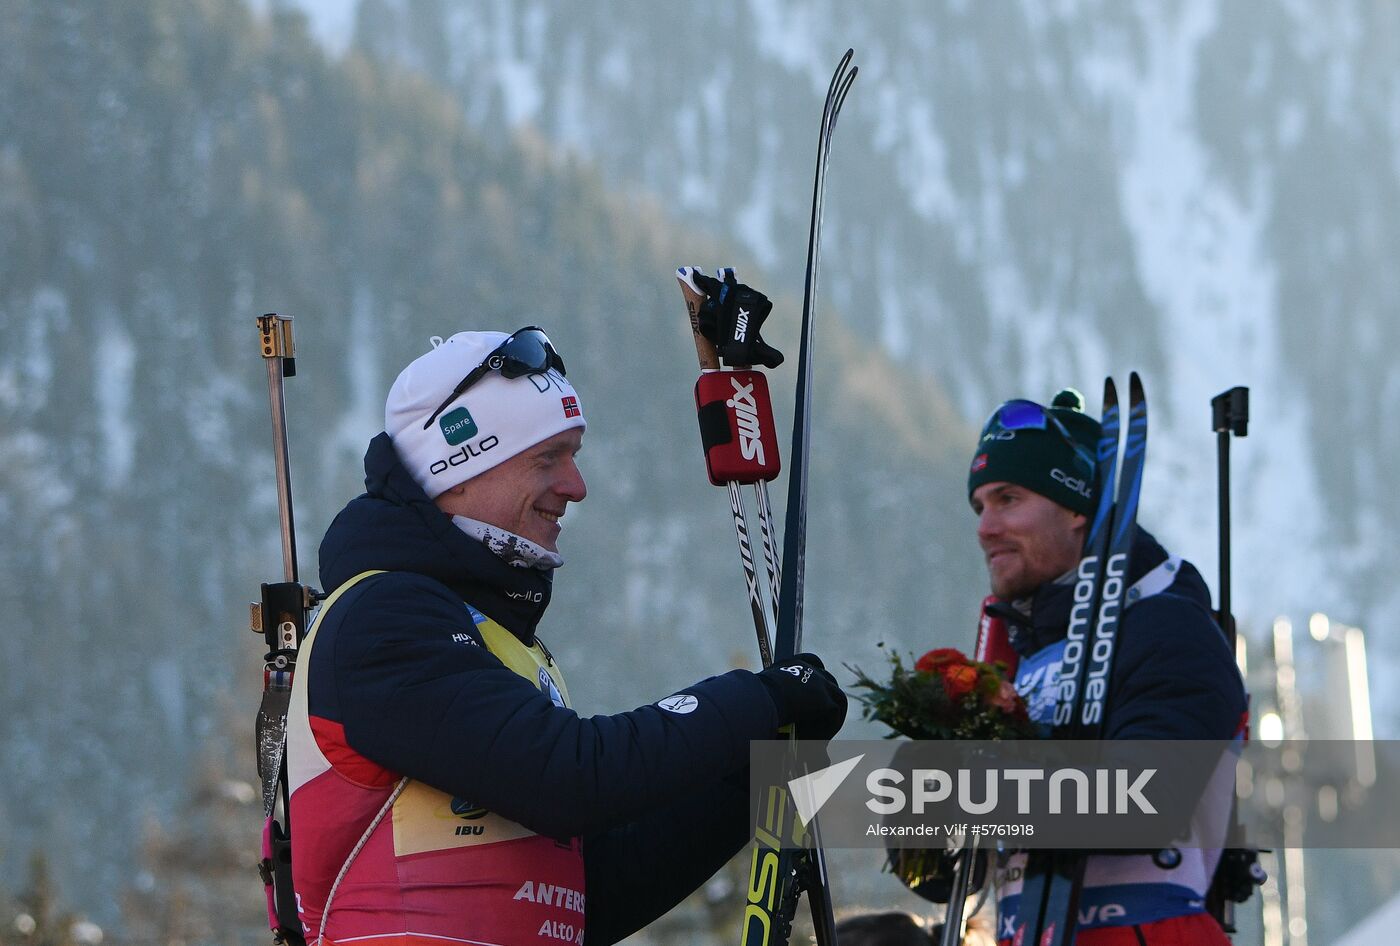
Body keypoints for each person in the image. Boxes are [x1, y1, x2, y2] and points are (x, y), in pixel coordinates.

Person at [285, 327, 847, 946]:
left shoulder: (500, 642)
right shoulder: (383, 618)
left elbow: (590, 894)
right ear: (459, 469)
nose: (576, 485)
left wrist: (745, 780)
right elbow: (570, 776)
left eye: (573, 455)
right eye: (547, 458)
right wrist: (756, 700)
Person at [965, 389, 1246, 946]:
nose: (985, 526)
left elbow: (1141, 802)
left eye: (1008, 499)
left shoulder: (1169, 629)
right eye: (980, 507)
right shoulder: (1014, 656)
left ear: (1076, 508)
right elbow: (957, 872)